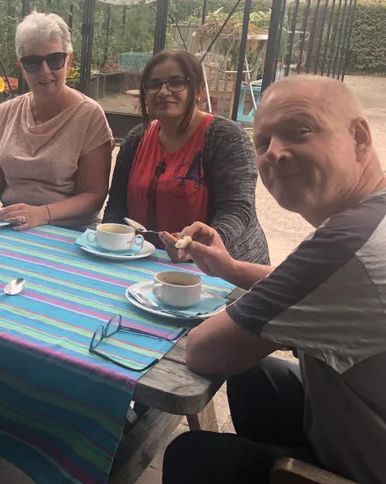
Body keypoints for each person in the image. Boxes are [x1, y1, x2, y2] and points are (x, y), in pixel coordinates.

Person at [161, 76, 386, 484]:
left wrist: (247, 318)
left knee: (193, 457)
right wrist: (230, 268)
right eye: (263, 142)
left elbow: (204, 351)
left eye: (300, 131)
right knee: (255, 374)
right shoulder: (372, 219)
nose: (275, 154)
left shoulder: (345, 244)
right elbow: (316, 287)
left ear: (359, 137)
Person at [0, 11, 114, 230]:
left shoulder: (89, 117)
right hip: (12, 226)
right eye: (33, 62)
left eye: (55, 59)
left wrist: (42, 214)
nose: (45, 71)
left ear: (68, 61)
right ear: (22, 67)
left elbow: (93, 195)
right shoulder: (5, 113)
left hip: (68, 234)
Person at [103, 49, 268, 264]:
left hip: (222, 269)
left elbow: (237, 210)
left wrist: (198, 248)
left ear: (198, 90)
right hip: (147, 262)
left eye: (176, 82)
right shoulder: (136, 139)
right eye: (154, 84)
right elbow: (116, 208)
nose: (163, 91)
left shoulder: (224, 138)